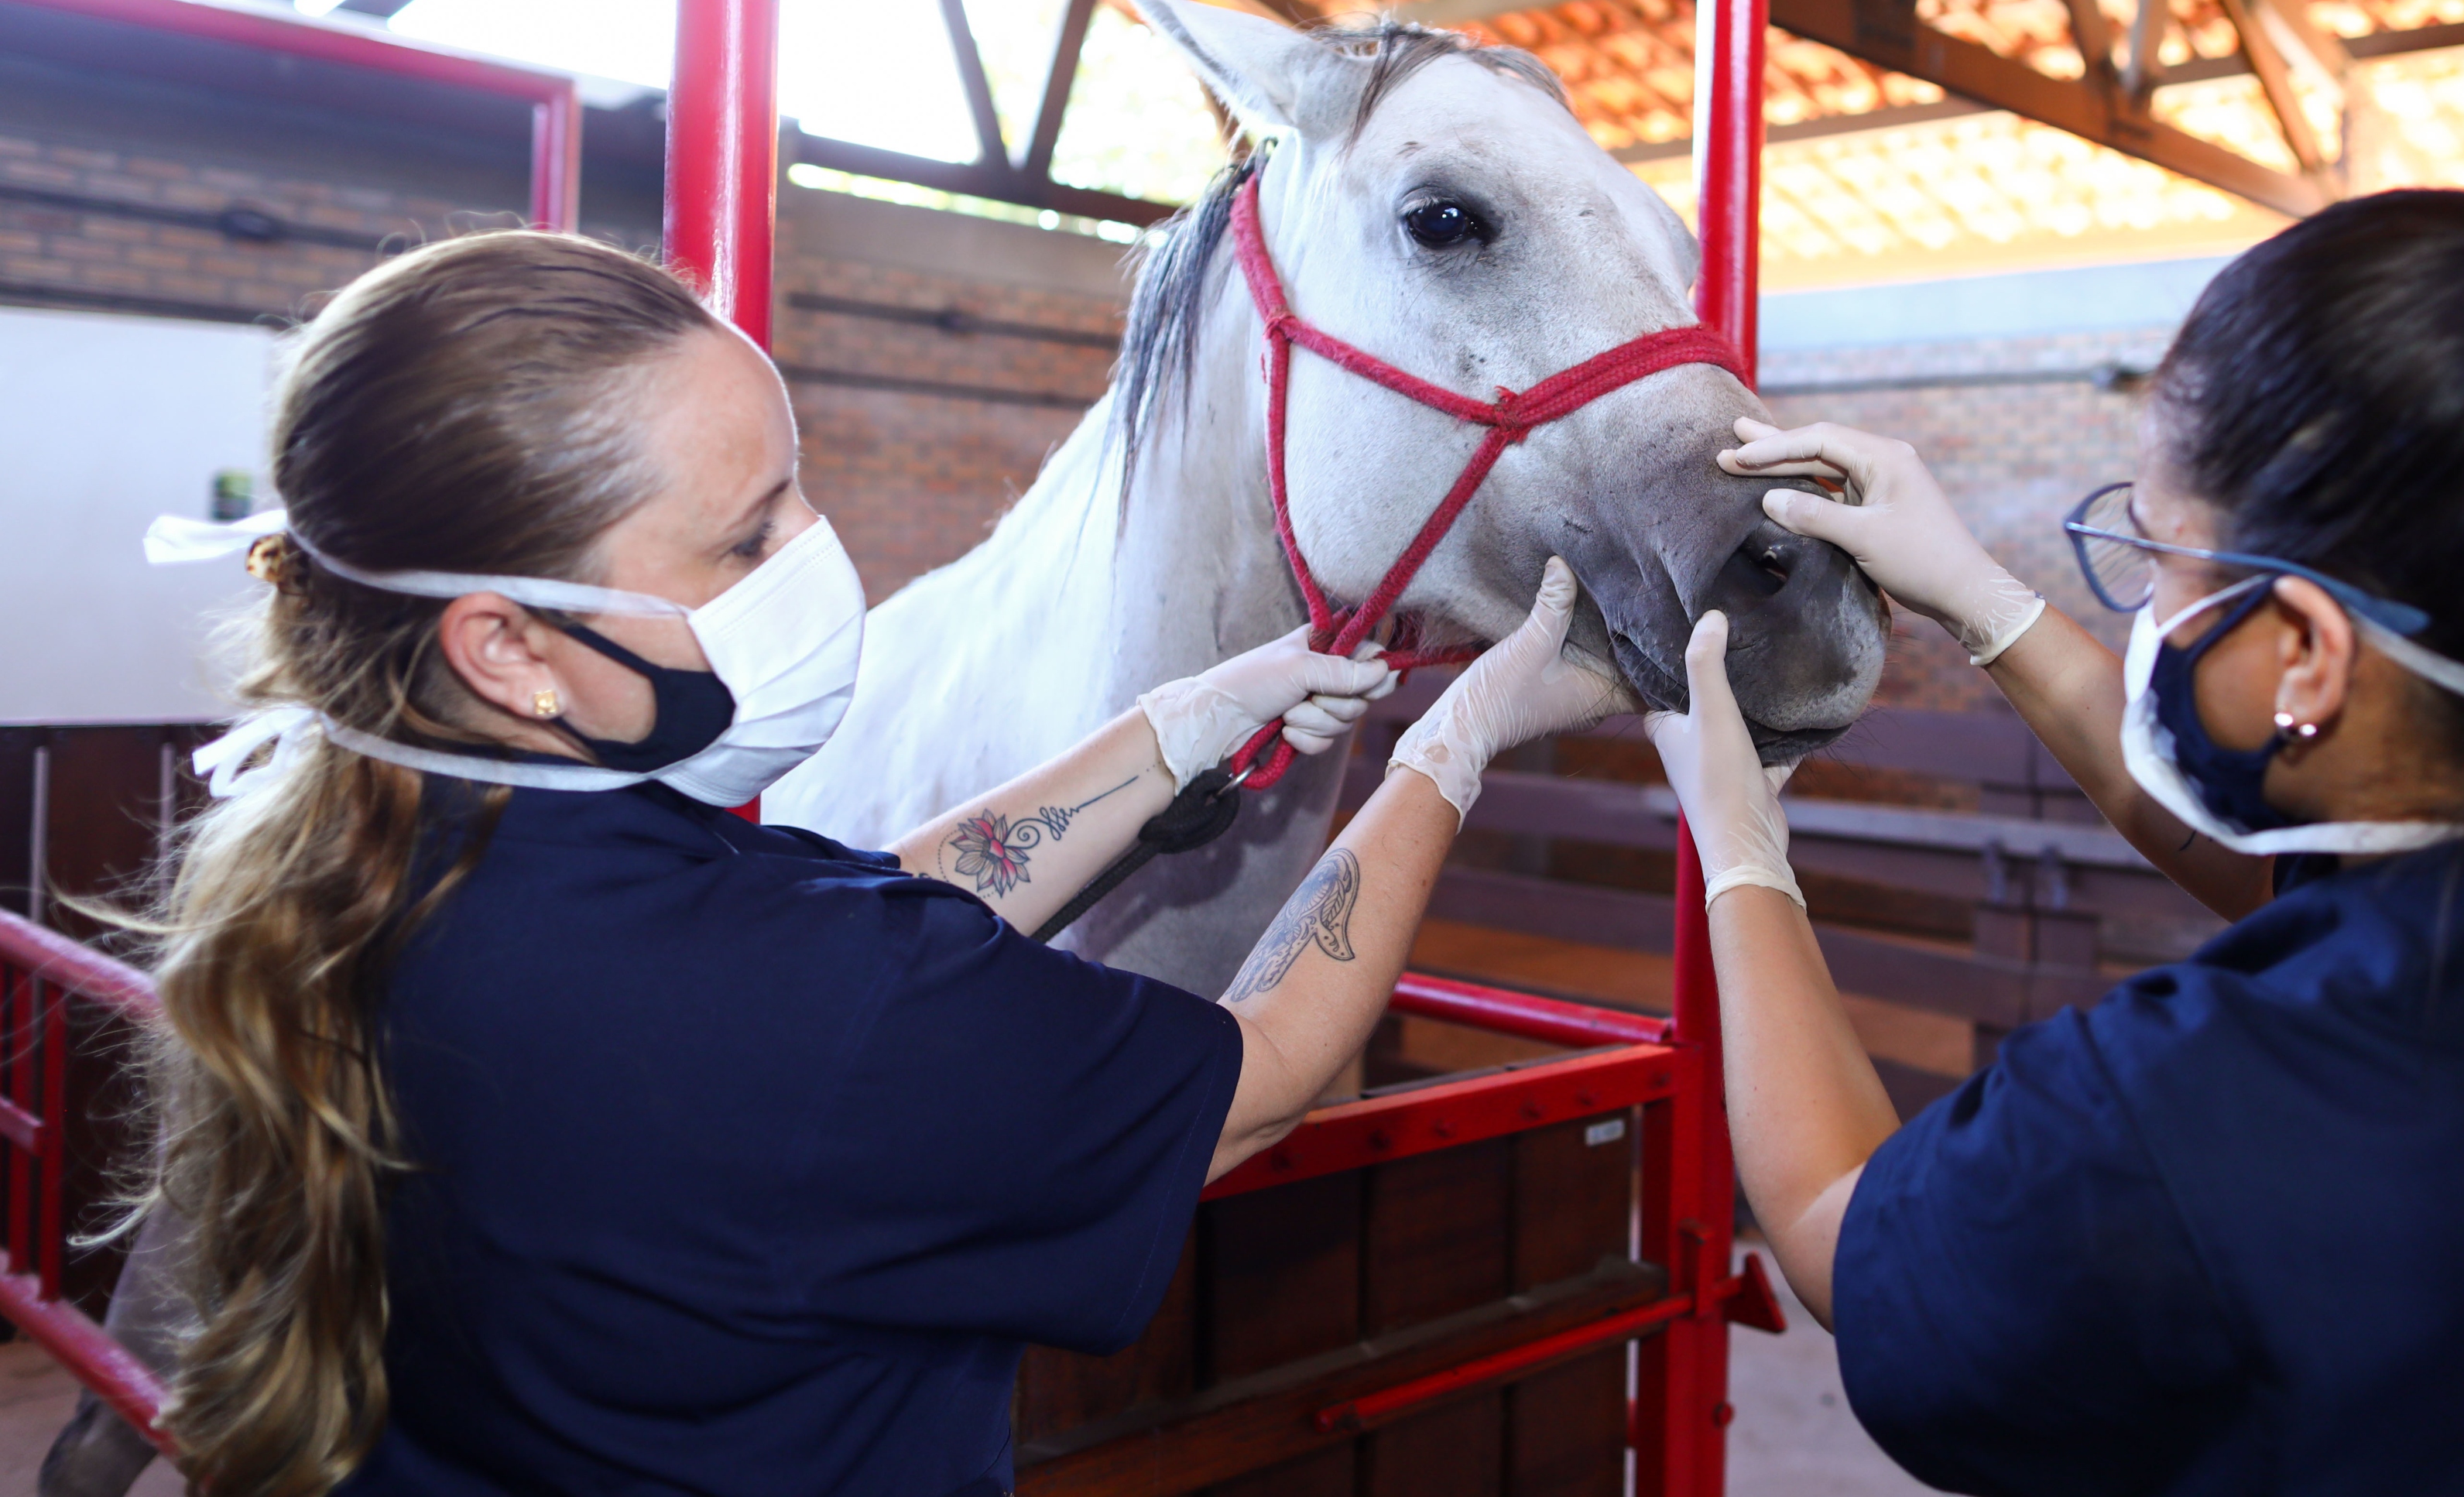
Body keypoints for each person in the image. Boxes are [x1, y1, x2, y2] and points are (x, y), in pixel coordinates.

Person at [118, 230, 1625, 1497]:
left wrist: (1172, 732)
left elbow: (857, 922)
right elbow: (1274, 1063)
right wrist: (1451, 749)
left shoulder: (380, 862)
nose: (815, 557)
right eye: (745, 538)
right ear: (509, 647)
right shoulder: (819, 1010)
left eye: (796, 492)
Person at [1643, 193, 2464, 1496]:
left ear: (2311, 652)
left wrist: (1743, 847)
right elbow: (2294, 877)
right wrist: (1979, 595)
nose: (2147, 595)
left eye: (2161, 555)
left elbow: (1833, 1227)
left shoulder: (2181, 1108)